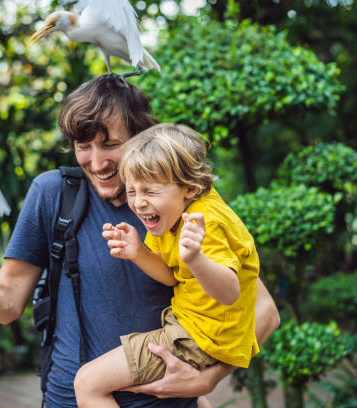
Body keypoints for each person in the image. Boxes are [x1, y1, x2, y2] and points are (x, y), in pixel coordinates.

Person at [0, 75, 279, 407]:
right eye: (82, 146)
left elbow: (261, 309)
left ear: (143, 136)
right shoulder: (55, 194)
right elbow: (5, 302)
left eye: (111, 145)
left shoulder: (174, 201)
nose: (96, 162)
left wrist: (209, 377)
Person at [73, 123, 259, 407]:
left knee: (87, 383)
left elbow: (229, 292)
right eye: (132, 191)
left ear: (190, 188)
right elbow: (173, 277)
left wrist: (196, 258)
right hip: (193, 327)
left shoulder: (204, 222)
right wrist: (139, 253)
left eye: (150, 191)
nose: (138, 203)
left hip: (202, 337)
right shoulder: (168, 215)